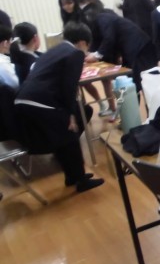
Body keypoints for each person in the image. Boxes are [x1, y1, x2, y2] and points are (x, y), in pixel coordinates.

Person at [14, 21, 104, 193]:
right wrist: (70, 114)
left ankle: (72, 177)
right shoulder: (75, 53)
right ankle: (80, 180)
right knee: (70, 134)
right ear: (83, 42)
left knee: (63, 138)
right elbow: (69, 86)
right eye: (87, 46)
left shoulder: (55, 49)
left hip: (24, 99)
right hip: (40, 101)